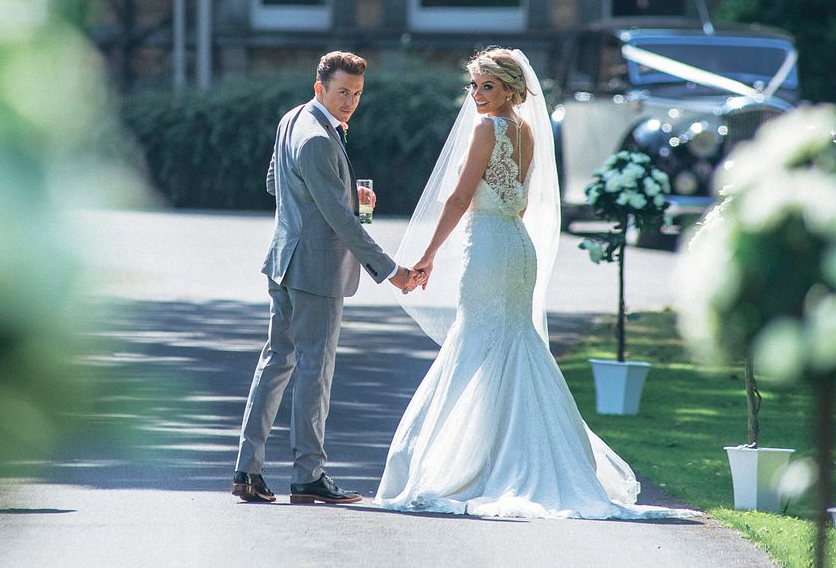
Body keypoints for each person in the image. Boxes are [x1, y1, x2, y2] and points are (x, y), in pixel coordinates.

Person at [375, 47, 692, 520]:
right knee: (512, 342)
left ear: (509, 90)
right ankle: (523, 453)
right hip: (516, 245)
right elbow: (519, 203)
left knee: (479, 341)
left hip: (487, 246)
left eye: (487, 86)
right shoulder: (526, 131)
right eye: (474, 86)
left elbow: (461, 196)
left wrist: (426, 256)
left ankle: (475, 461)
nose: (477, 96)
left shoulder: (488, 129)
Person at [232, 51, 419, 506]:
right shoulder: (317, 137)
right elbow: (341, 221)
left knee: (276, 364)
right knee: (314, 372)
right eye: (342, 92)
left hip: (284, 260)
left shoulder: (292, 119)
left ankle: (247, 472)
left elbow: (278, 184)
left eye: (357, 94)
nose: (350, 102)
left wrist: (339, 191)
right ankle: (308, 476)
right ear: (320, 88)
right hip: (314, 270)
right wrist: (391, 270)